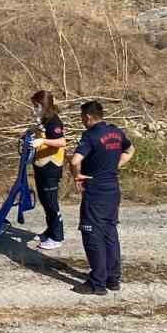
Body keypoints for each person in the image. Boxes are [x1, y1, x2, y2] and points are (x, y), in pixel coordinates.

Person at [68, 100, 133, 296]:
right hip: (112, 189)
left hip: (95, 191)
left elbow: (75, 160)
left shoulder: (91, 135)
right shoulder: (116, 132)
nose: (82, 121)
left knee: (92, 233)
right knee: (109, 232)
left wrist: (76, 176)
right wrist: (114, 166)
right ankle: (113, 278)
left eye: (81, 118)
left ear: (87, 117)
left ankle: (97, 282)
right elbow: (130, 150)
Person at [28, 90, 68, 251]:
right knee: (45, 201)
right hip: (40, 165)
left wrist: (43, 140)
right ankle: (50, 230)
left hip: (51, 166)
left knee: (51, 202)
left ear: (43, 105)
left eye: (36, 106)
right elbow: (39, 134)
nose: (34, 108)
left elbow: (61, 141)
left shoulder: (54, 121)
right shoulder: (43, 120)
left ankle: (57, 237)